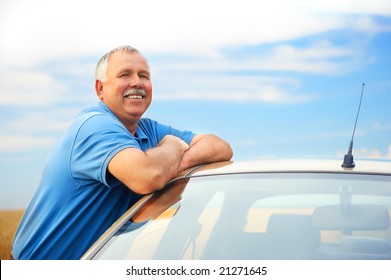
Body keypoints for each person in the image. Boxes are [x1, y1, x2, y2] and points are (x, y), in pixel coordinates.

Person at [11, 45, 233, 260]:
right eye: (125, 74)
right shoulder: (94, 126)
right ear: (100, 89)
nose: (137, 82)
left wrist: (176, 163)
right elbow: (148, 175)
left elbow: (221, 147)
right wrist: (172, 148)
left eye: (144, 76)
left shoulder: (148, 129)